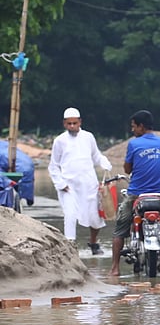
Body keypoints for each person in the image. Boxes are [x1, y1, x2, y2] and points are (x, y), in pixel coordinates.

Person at [110, 110, 160, 277]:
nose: (132, 130)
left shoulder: (134, 144)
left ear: (141, 126)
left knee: (120, 229)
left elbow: (127, 170)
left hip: (136, 194)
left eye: (134, 127)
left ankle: (114, 268)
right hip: (159, 196)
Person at [49, 107, 112, 255]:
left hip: (89, 184)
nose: (72, 126)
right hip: (68, 186)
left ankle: (94, 243)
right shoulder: (59, 141)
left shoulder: (88, 137)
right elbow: (53, 166)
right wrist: (60, 184)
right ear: (64, 123)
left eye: (74, 123)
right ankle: (70, 247)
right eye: (69, 123)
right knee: (70, 215)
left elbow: (96, 156)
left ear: (80, 122)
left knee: (95, 217)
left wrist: (104, 162)